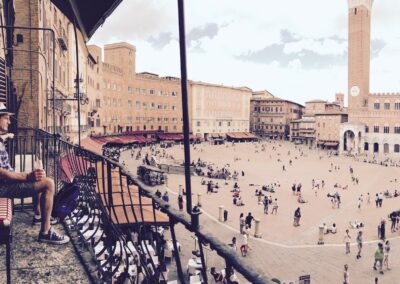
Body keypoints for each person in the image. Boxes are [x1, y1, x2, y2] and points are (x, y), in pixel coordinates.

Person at [0, 104, 69, 245]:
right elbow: (2, 173)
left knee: (41, 178)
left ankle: (38, 215)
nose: (9, 121)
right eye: (6, 118)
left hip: (6, 184)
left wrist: (6, 136)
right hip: (3, 187)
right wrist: (27, 177)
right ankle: (45, 232)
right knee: (48, 183)